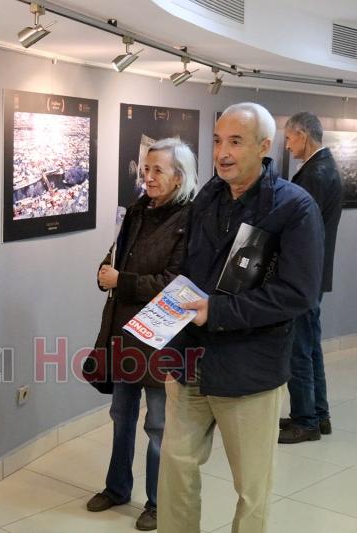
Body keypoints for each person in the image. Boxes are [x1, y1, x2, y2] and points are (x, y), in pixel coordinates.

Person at [157, 103, 324, 533]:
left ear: (264, 147)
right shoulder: (206, 198)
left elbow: (298, 293)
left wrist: (218, 311)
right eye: (216, 141)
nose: (222, 152)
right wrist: (164, 315)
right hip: (190, 363)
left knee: (251, 489)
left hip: (250, 371)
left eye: (235, 142)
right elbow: (190, 272)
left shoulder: (294, 208)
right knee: (175, 471)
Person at [86, 138, 197, 532]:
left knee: (158, 427)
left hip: (159, 340)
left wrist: (123, 281)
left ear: (178, 177)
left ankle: (157, 502)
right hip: (121, 334)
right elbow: (117, 256)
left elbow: (177, 283)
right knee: (121, 416)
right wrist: (105, 274)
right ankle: (117, 488)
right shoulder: (136, 210)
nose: (147, 178)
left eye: (157, 171)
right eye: (145, 170)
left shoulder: (189, 220)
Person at [279, 111, 343, 443]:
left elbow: (299, 229)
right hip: (314, 275)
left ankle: (306, 420)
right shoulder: (324, 168)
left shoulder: (315, 174)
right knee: (311, 347)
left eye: (289, 139)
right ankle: (319, 414)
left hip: (303, 276)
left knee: (299, 349)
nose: (287, 147)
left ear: (303, 135)